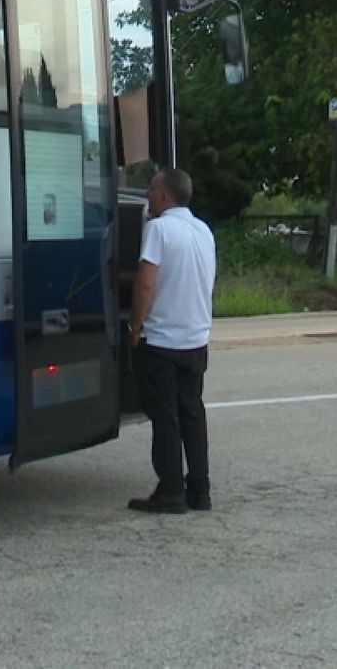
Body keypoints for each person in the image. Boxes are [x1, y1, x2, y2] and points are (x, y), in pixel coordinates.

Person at [126, 168, 217, 514]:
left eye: (151, 189)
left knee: (165, 417)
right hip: (195, 338)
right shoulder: (203, 230)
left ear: (165, 196)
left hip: (162, 340)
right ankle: (200, 489)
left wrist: (135, 327)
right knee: (192, 412)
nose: (147, 195)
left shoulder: (158, 229)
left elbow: (146, 283)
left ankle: (170, 490)